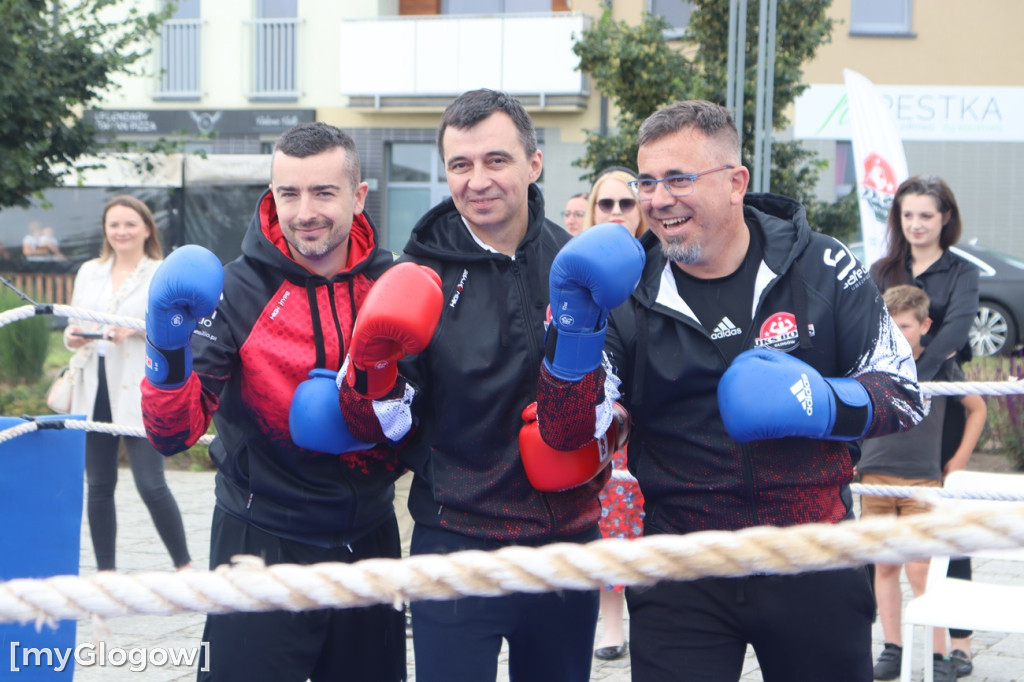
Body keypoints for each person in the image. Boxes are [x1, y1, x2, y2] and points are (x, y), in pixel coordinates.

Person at [534, 100, 925, 682]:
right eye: (647, 181)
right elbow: (567, 431)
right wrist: (571, 330)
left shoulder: (821, 265)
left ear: (736, 181)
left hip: (813, 553)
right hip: (682, 564)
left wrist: (820, 402)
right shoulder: (626, 292)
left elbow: (903, 393)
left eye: (678, 179)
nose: (657, 199)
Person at [334, 89, 612, 682]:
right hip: (455, 536)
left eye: (495, 160)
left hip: (564, 539)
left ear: (533, 164)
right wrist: (371, 375)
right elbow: (385, 427)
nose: (477, 180)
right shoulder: (416, 275)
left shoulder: (578, 264)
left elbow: (621, 396)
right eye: (460, 165)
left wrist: (605, 424)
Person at [140, 122, 406, 681]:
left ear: (359, 197)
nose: (304, 211)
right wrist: (166, 350)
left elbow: (424, 417)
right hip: (260, 539)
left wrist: (386, 410)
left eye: (323, 192)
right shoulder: (238, 290)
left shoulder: (390, 286)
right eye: (289, 193)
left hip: (370, 538)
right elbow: (172, 434)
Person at [870, 175, 981, 676]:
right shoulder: (882, 269)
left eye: (926, 216)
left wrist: (916, 373)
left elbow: (956, 328)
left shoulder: (961, 272)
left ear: (945, 220)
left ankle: (957, 647)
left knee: (944, 540)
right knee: (889, 554)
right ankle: (894, 644)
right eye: (907, 215)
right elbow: (867, 327)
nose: (915, 224)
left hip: (939, 402)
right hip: (890, 413)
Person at [858, 286, 986, 682]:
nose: (898, 333)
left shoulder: (940, 365)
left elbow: (977, 407)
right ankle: (892, 648)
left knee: (921, 568)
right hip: (875, 477)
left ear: (925, 325)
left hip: (923, 480)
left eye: (906, 326)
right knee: (884, 564)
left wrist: (960, 458)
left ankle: (938, 654)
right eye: (891, 326)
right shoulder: (872, 360)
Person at [64, 195, 191, 573]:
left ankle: (184, 567)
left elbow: (178, 328)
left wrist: (134, 332)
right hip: (95, 383)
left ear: (147, 228)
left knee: (151, 483)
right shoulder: (89, 271)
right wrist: (72, 337)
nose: (121, 231)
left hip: (141, 386)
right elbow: (73, 321)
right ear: (105, 229)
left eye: (130, 224)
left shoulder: (161, 272)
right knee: (99, 485)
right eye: (114, 224)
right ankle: (106, 573)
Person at [582, 166, 648, 662]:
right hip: (602, 432)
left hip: (657, 432)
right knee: (609, 527)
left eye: (626, 203)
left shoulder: (665, 270)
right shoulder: (577, 270)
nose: (617, 213)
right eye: (606, 204)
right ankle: (609, 625)